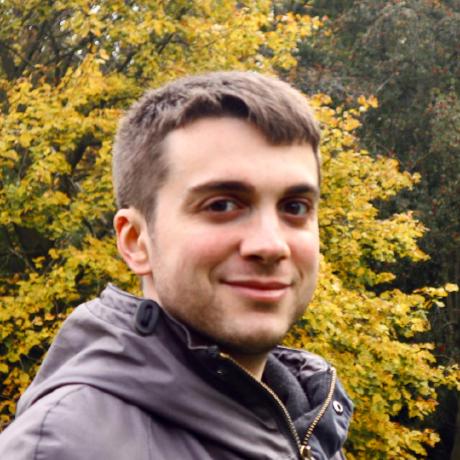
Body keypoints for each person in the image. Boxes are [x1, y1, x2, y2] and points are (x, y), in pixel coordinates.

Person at [0, 71, 352, 459]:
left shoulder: (307, 422)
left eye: (295, 208)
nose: (271, 245)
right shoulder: (63, 446)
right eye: (222, 205)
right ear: (135, 241)